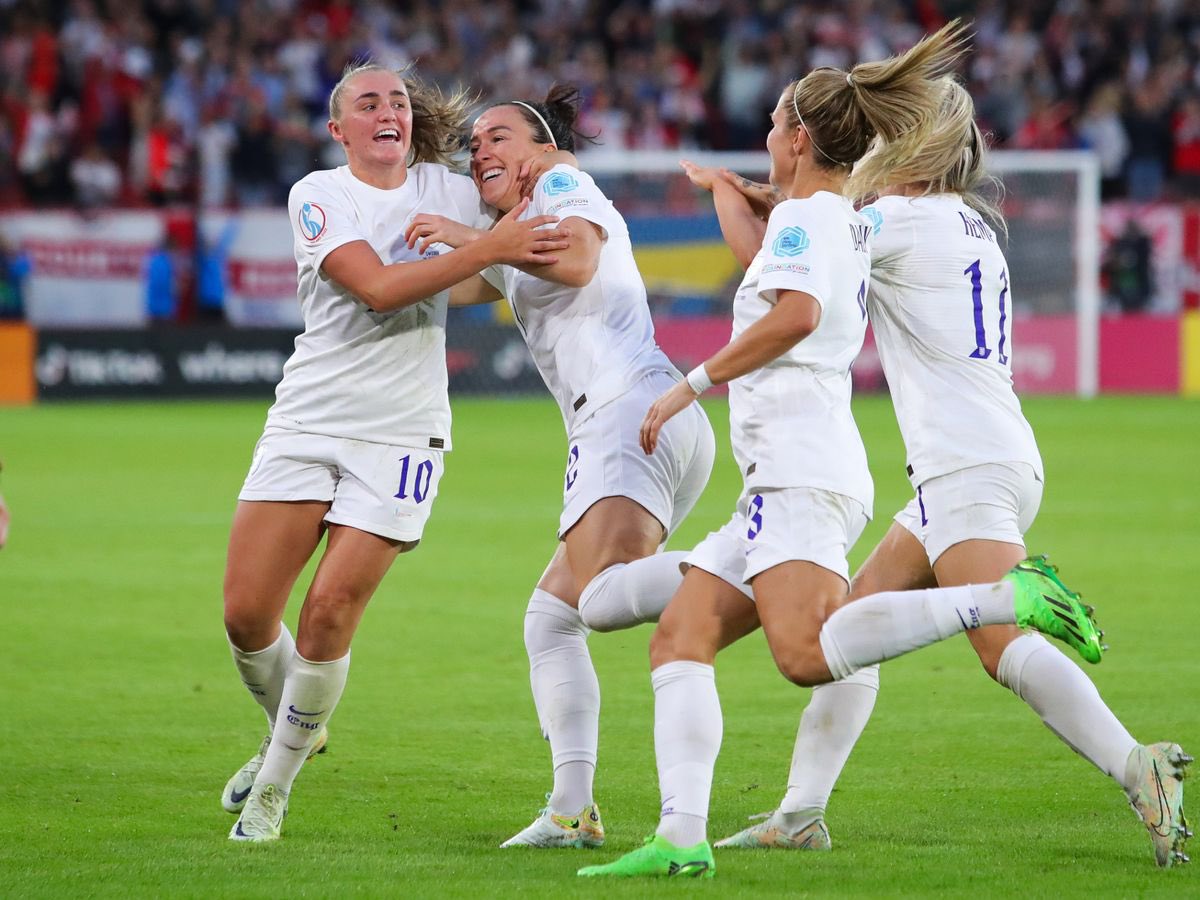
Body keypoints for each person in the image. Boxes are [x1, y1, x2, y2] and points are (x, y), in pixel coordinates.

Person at [577, 23, 1102, 880]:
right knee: (679, 636)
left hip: (801, 469)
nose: (770, 133)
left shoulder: (833, 221)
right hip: (780, 475)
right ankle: (680, 836)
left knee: (808, 654)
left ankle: (1001, 597)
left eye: (780, 123)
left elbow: (797, 314)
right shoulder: (827, 223)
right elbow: (774, 261)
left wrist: (689, 385)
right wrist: (725, 188)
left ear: (801, 138)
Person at [710, 79, 1192, 869]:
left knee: (1000, 642)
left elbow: (786, 276)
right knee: (851, 629)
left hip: (966, 462)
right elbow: (824, 231)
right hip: (981, 456)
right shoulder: (962, 220)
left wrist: (734, 198)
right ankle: (799, 813)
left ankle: (1136, 763)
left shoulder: (894, 221)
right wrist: (775, 194)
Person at [221, 61, 572, 843]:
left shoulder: (447, 192)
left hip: (404, 432)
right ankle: (299, 731)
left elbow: (518, 220)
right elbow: (378, 287)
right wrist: (487, 252)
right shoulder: (319, 195)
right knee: (248, 616)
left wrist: (534, 194)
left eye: (400, 102)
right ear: (337, 128)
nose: (390, 110)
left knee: (328, 611)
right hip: (309, 420)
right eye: (368, 101)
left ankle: (273, 791)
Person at [404, 85, 716, 849]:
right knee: (553, 618)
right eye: (474, 145)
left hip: (623, 411)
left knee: (602, 600)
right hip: (645, 419)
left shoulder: (561, 183)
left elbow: (574, 260)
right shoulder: (519, 227)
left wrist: (457, 229)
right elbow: (482, 275)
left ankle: (758, 567)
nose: (481, 150)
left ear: (542, 148)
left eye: (499, 137)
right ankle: (572, 808)